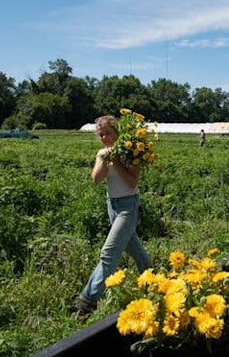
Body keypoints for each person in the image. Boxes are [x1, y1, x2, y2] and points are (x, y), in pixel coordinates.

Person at [68, 115, 152, 315]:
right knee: (136, 249)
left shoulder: (130, 152)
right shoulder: (101, 153)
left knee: (108, 254)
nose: (105, 137)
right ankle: (154, 279)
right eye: (101, 134)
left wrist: (116, 162)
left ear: (118, 133)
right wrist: (105, 161)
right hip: (112, 205)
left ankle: (87, 302)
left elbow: (132, 182)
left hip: (128, 207)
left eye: (108, 133)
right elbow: (96, 179)